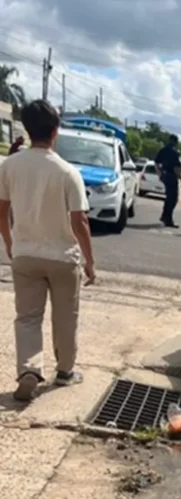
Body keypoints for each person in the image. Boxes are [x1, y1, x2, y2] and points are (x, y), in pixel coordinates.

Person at [0, 100, 96, 402]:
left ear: (27, 130)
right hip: (62, 257)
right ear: (55, 131)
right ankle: (65, 371)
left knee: (27, 317)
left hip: (25, 253)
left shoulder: (10, 166)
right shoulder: (68, 172)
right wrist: (90, 261)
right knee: (65, 316)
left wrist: (9, 243)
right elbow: (79, 221)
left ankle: (29, 369)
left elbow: (2, 210)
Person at [155, 134, 181, 228]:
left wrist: (159, 173)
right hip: (172, 176)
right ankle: (168, 219)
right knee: (173, 198)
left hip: (165, 174)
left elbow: (156, 162)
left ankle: (165, 216)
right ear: (175, 142)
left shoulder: (163, 150)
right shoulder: (175, 152)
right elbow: (176, 167)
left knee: (168, 197)